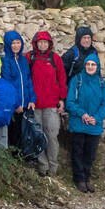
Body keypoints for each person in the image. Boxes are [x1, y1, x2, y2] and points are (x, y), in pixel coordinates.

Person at [66, 53, 105, 193]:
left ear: (97, 67)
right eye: (88, 64)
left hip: (93, 125)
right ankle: (79, 179)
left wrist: (96, 118)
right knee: (78, 152)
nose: (90, 67)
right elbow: (70, 102)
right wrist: (83, 114)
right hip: (78, 123)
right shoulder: (76, 80)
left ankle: (86, 178)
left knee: (90, 154)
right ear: (85, 65)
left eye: (93, 64)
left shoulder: (101, 83)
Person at [27, 30, 67, 177]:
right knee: (39, 136)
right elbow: (26, 79)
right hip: (35, 105)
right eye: (40, 42)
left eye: (45, 42)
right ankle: (42, 166)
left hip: (51, 105)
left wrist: (62, 99)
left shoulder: (55, 59)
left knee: (52, 136)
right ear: (36, 43)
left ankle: (53, 167)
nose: (43, 44)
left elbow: (62, 80)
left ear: (49, 44)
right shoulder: (30, 58)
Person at [0, 30, 36, 156]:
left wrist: (32, 99)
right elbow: (8, 84)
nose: (16, 45)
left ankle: (22, 159)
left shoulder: (23, 60)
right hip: (14, 106)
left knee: (24, 134)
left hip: (25, 104)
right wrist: (15, 104)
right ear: (8, 44)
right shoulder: (5, 60)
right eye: (13, 43)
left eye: (18, 42)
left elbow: (28, 80)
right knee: (13, 134)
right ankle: (13, 162)